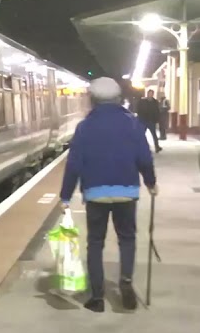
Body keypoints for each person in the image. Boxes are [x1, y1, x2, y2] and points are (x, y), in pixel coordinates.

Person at [59, 77, 158, 313]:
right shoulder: (133, 124)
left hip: (96, 193)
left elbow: (74, 165)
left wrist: (65, 196)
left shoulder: (85, 127)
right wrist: (151, 182)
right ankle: (125, 281)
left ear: (92, 100)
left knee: (95, 243)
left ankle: (97, 297)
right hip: (126, 191)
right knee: (127, 238)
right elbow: (144, 157)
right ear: (118, 98)